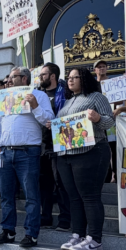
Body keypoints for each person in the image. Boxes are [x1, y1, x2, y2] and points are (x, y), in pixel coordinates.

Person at [54, 67, 115, 250]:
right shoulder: (67, 101)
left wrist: (97, 118)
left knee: (90, 196)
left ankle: (95, 240)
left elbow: (109, 121)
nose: (70, 80)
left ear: (85, 79)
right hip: (67, 155)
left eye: (75, 77)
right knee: (74, 197)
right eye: (69, 77)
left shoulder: (96, 97)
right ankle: (78, 235)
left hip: (91, 151)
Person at [0, 67, 54, 248]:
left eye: (13, 77)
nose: (8, 81)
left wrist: (35, 105)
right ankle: (8, 230)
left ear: (24, 78)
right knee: (6, 195)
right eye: (8, 78)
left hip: (28, 152)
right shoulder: (3, 97)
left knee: (31, 195)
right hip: (5, 152)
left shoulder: (39, 95)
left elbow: (49, 120)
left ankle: (31, 233)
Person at [36, 62, 71, 231]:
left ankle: (65, 218)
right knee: (44, 184)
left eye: (43, 74)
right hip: (41, 144)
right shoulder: (36, 94)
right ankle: (46, 216)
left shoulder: (65, 93)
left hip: (60, 143)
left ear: (52, 76)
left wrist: (56, 122)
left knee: (61, 182)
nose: (40, 77)